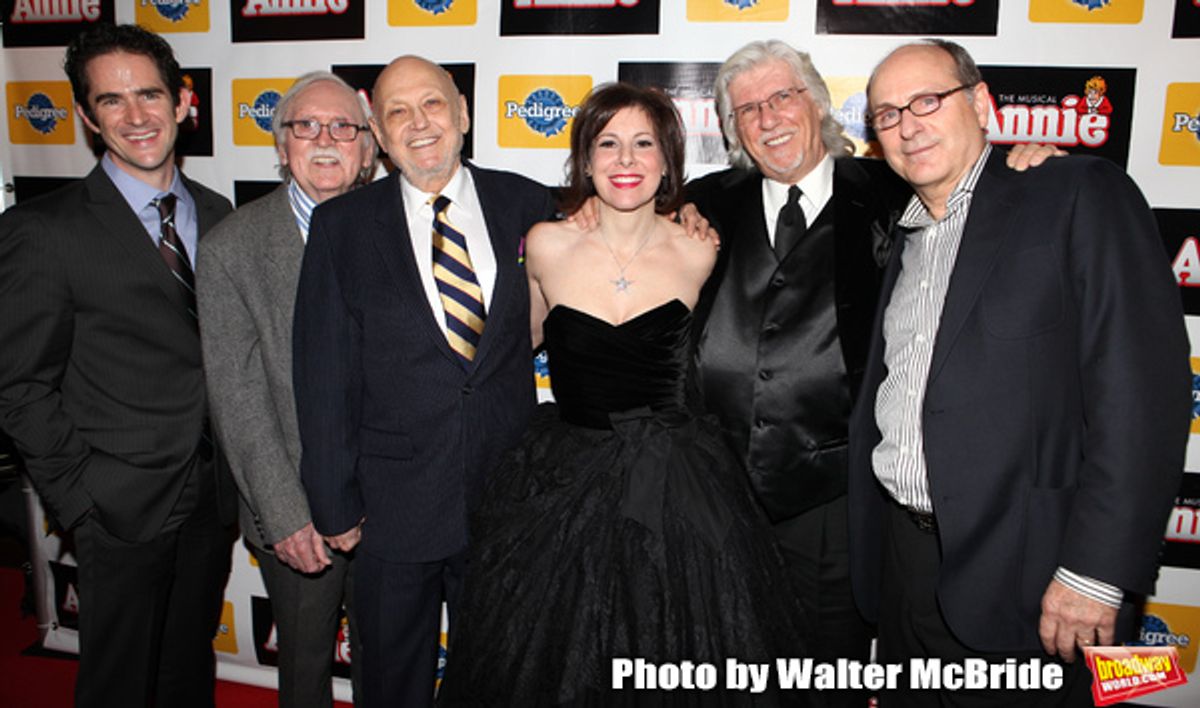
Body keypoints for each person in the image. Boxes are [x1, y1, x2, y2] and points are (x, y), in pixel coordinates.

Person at [438, 82, 812, 706]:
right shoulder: (546, 245)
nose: (626, 160)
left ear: (668, 161)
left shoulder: (701, 246)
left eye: (643, 144)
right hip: (566, 477)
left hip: (681, 481)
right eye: (608, 144)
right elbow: (509, 351)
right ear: (585, 160)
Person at [849, 39, 1188, 706]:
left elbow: (1141, 395)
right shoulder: (904, 237)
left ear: (979, 102)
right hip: (903, 566)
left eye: (926, 100)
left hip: (1029, 571)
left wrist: (1094, 572)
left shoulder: (1074, 193)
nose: (907, 124)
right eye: (886, 115)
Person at [291, 55, 556, 708]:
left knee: (498, 682)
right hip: (389, 511)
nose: (419, 124)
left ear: (463, 113)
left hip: (504, 503)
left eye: (432, 104)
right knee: (391, 686)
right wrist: (333, 504)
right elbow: (322, 374)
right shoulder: (340, 228)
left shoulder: (527, 202)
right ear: (377, 134)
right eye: (397, 113)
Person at [0, 23, 235, 708]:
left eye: (150, 94)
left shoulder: (217, 215)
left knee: (187, 667)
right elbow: (18, 384)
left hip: (210, 497)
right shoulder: (44, 231)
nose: (136, 116)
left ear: (183, 101)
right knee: (119, 683)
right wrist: (81, 499)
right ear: (85, 116)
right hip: (117, 504)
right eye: (111, 101)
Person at [685, 42, 909, 689]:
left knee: (825, 679)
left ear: (817, 105)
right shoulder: (705, 201)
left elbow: (978, 192)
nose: (768, 117)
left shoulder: (889, 192)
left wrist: (1038, 169)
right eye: (747, 108)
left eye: (782, 96)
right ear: (732, 130)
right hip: (717, 502)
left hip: (834, 501)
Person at [196, 71, 375, 708]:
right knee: (304, 671)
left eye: (343, 127)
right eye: (305, 126)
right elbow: (237, 395)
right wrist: (285, 514)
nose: (325, 139)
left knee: (390, 666)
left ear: (366, 149)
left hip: (392, 504)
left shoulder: (398, 231)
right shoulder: (231, 249)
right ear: (281, 145)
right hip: (295, 511)